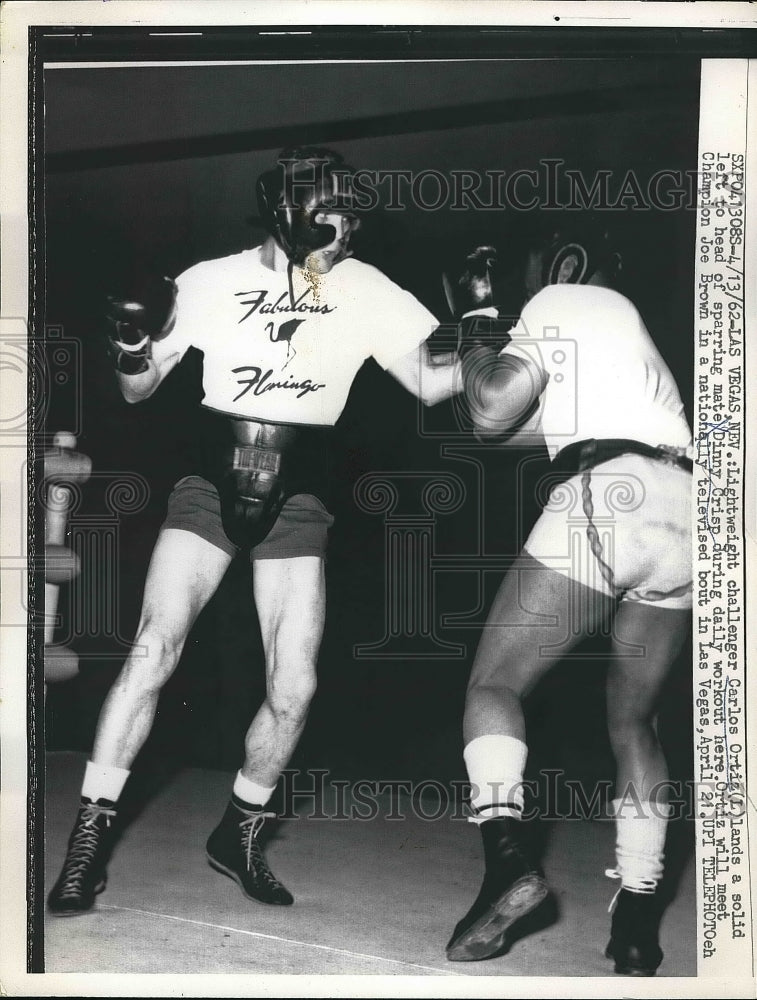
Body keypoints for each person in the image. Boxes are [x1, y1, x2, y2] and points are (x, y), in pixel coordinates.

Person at [48, 146, 461, 915]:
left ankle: (237, 832)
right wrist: (131, 347)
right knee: (153, 648)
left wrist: (491, 330)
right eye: (332, 217)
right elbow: (138, 390)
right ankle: (88, 840)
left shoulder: (365, 288)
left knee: (294, 686)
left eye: (351, 220)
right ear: (287, 211)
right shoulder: (210, 280)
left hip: (300, 496)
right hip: (210, 485)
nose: (344, 233)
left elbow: (434, 386)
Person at [444, 223, 692, 975]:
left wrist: (478, 320)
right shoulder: (621, 333)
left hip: (613, 495)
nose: (524, 279)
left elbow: (490, 409)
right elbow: (514, 429)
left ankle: (505, 860)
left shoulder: (559, 298)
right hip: (689, 513)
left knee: (494, 684)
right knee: (634, 721)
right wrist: (470, 366)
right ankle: (636, 922)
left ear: (561, 262)